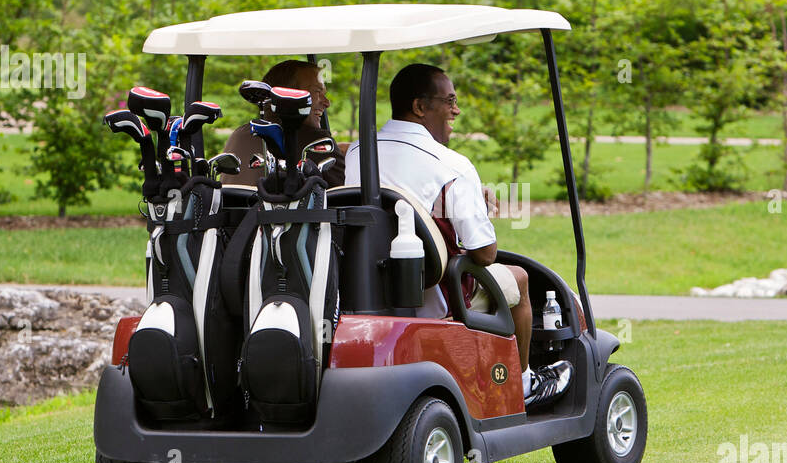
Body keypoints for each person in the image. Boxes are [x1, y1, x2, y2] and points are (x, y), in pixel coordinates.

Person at [345, 63, 571, 409]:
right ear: (420, 107)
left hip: (370, 290)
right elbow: (483, 254)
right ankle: (524, 380)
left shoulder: (359, 152)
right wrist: (475, 206)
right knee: (521, 278)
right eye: (449, 100)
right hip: (435, 292)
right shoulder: (452, 165)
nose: (456, 109)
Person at [222, 59, 345, 187]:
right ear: (288, 95)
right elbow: (346, 197)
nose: (327, 103)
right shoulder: (317, 141)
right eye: (318, 92)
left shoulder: (239, 135)